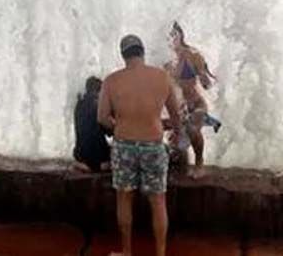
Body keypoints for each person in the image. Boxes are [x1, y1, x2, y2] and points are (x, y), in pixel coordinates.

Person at [99, 34, 181, 256]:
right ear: (142, 52)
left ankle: (126, 252)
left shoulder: (111, 81)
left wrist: (120, 123)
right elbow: (175, 116)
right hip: (153, 146)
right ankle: (160, 253)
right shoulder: (162, 77)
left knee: (124, 198)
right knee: (158, 201)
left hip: (124, 145)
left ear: (123, 55)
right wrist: (177, 134)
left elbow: (102, 118)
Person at [167, 21, 220, 176]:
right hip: (178, 109)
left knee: (192, 127)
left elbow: (207, 84)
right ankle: (182, 162)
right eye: (167, 36)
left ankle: (199, 162)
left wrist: (204, 76)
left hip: (196, 104)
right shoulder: (164, 60)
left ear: (180, 35)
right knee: (177, 150)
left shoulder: (193, 55)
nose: (170, 38)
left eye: (173, 34)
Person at [72, 76, 112, 173]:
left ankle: (80, 164)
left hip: (81, 155)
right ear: (100, 91)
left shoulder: (79, 104)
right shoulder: (99, 106)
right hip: (101, 159)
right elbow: (109, 131)